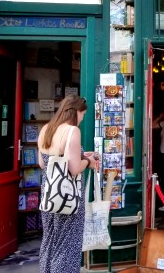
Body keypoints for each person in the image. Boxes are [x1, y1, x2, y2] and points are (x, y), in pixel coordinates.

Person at [37, 95, 98, 273]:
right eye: (83, 114)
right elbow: (74, 169)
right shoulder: (72, 131)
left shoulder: (46, 129)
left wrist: (82, 155)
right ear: (76, 112)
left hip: (49, 194)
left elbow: (43, 164)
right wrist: (89, 162)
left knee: (50, 240)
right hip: (68, 196)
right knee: (68, 245)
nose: (82, 118)